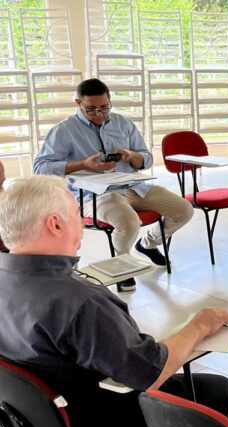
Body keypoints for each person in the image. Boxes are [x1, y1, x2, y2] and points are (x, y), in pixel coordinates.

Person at [0, 175, 228, 427]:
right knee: (216, 394)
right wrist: (199, 326)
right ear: (55, 223)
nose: (82, 222)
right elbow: (151, 373)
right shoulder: (79, 301)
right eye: (77, 213)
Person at [33, 78, 194, 292]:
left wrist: (131, 155)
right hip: (93, 193)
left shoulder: (122, 123)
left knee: (184, 209)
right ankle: (123, 265)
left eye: (104, 107)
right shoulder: (64, 130)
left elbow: (146, 159)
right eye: (91, 109)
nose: (99, 113)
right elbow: (40, 167)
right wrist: (83, 164)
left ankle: (147, 244)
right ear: (78, 104)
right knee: (128, 222)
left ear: (110, 101)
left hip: (133, 186)